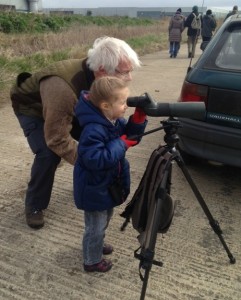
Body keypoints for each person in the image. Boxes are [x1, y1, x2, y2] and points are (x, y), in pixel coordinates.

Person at [10, 36, 141, 229]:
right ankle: (35, 205)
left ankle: (91, 181)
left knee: (101, 135)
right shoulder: (63, 88)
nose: (129, 78)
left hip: (71, 106)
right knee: (49, 153)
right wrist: (89, 162)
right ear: (102, 70)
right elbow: (57, 138)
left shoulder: (99, 79)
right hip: (32, 109)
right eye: (125, 72)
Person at [73, 76, 147, 272]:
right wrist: (121, 144)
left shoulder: (112, 121)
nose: (125, 106)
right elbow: (95, 159)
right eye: (122, 103)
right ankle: (91, 260)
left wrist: (139, 117)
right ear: (105, 105)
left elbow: (130, 136)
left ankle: (95, 245)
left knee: (104, 220)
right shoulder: (93, 129)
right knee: (95, 227)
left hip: (104, 186)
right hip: (93, 188)